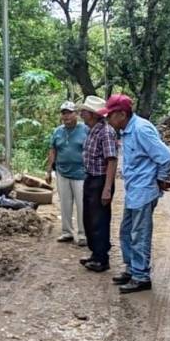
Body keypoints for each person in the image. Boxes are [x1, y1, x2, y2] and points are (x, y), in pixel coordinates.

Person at [99, 94, 170, 294]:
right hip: (134, 190)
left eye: (110, 116)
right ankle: (132, 269)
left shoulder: (141, 129)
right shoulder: (126, 131)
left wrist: (161, 178)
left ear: (122, 114)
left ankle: (141, 276)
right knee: (126, 231)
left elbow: (167, 157)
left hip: (144, 191)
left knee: (139, 234)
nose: (108, 120)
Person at [78, 96, 119, 272]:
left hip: (100, 179)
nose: (81, 114)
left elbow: (111, 161)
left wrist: (107, 188)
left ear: (93, 114)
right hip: (91, 177)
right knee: (89, 218)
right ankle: (95, 253)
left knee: (99, 220)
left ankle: (102, 258)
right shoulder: (92, 130)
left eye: (84, 111)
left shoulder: (106, 132)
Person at [45, 101, 88, 246]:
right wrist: (49, 169)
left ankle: (83, 235)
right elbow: (53, 150)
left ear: (76, 114)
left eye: (69, 112)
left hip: (81, 173)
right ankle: (67, 232)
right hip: (62, 172)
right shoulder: (58, 131)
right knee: (65, 204)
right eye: (64, 113)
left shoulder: (85, 129)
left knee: (82, 205)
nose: (67, 116)